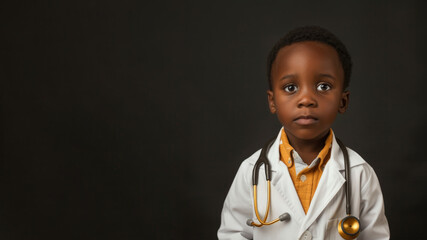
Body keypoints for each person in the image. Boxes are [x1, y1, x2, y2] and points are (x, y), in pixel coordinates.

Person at [217, 26, 390, 240]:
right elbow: (232, 233)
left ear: (343, 101)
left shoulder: (360, 173)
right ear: (272, 101)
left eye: (324, 86)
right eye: (291, 88)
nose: (306, 99)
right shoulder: (251, 171)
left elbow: (376, 237)